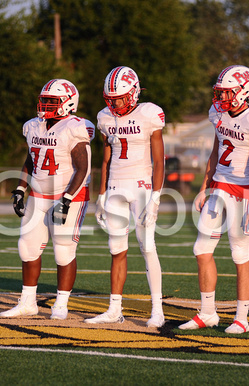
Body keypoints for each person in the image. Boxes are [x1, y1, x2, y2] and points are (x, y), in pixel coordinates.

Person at [178, 65, 249, 333]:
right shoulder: (218, 113)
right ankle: (208, 312)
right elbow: (216, 149)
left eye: (227, 92)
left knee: (239, 254)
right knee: (201, 250)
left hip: (244, 192)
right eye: (220, 92)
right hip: (219, 188)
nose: (221, 98)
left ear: (244, 91)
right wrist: (204, 186)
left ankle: (242, 318)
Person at [0, 79, 92, 320]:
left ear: (68, 103)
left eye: (52, 101)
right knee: (26, 248)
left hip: (68, 195)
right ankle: (28, 302)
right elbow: (32, 159)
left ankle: (61, 304)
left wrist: (68, 199)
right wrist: (20, 188)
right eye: (45, 100)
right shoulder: (33, 126)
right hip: (39, 194)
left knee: (63, 251)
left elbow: (83, 168)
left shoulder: (75, 127)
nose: (45, 105)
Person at [84, 66, 166, 328]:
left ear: (132, 93)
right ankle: (114, 309)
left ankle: (157, 309)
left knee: (147, 246)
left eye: (118, 97)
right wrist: (101, 194)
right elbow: (106, 159)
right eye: (110, 98)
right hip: (116, 186)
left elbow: (159, 159)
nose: (114, 102)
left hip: (141, 184)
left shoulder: (149, 114)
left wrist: (156, 196)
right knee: (116, 249)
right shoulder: (105, 117)